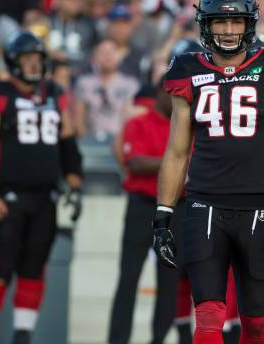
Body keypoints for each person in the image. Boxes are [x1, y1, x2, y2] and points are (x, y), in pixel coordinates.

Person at [152, 0, 264, 344]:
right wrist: (163, 214)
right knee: (208, 317)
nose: (227, 30)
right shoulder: (188, 70)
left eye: (235, 22)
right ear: (205, 25)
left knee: (255, 322)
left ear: (249, 23)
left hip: (258, 204)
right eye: (220, 22)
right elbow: (177, 150)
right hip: (205, 202)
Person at [0, 31, 83, 344]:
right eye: (27, 60)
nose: (34, 66)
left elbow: (68, 139)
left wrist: (75, 180)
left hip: (44, 198)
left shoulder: (54, 92)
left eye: (38, 60)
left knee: (34, 270)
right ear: (13, 62)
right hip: (7, 197)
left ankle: (23, 336)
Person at [108, 80, 184, 344]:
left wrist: (173, 164)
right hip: (142, 205)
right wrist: (176, 162)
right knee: (128, 278)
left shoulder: (186, 126)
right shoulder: (138, 123)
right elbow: (136, 163)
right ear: (160, 93)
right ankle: (117, 340)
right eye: (172, 93)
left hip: (176, 208)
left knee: (169, 282)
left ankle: (159, 339)